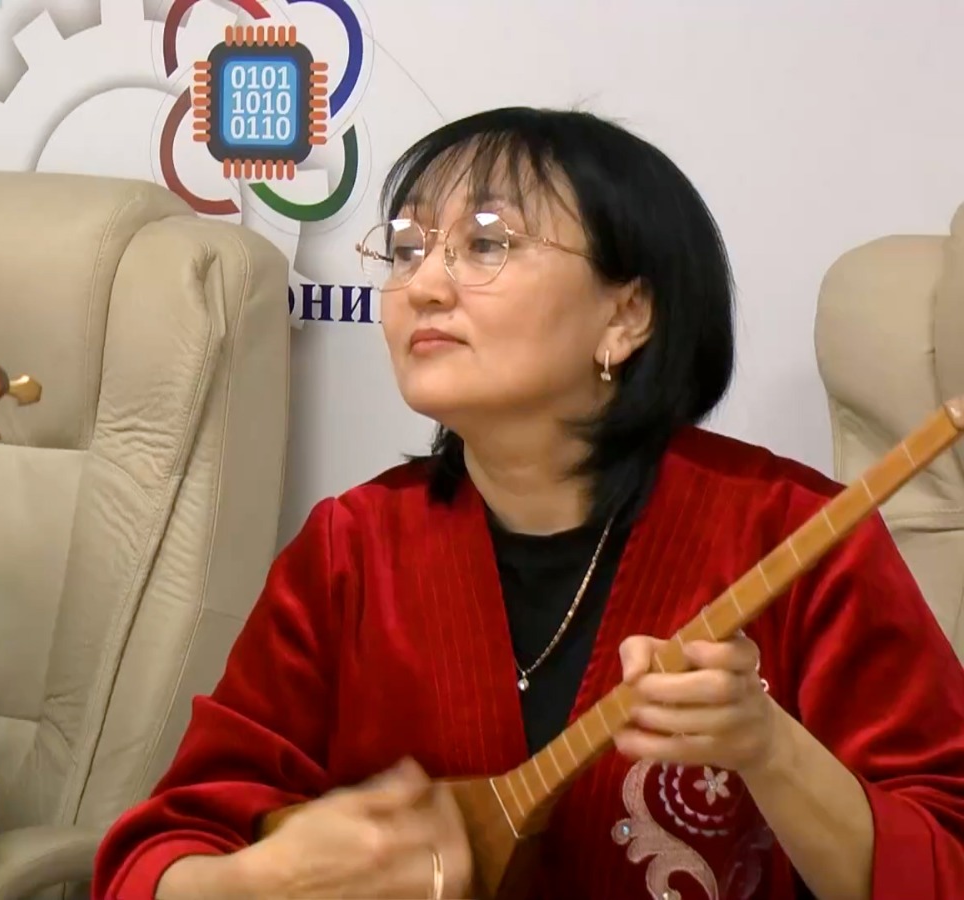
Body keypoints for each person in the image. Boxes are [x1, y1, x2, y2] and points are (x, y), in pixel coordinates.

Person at [91, 107, 964, 899]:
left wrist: (768, 748)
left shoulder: (796, 533)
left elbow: (945, 861)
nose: (423, 286)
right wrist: (259, 881)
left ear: (626, 315)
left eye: (486, 244)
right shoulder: (351, 548)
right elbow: (160, 853)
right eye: (407, 249)